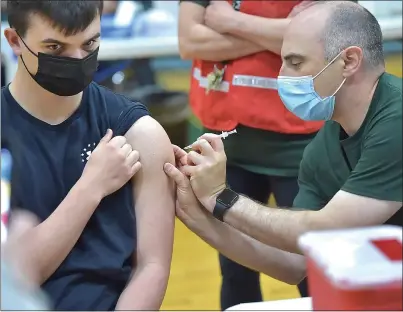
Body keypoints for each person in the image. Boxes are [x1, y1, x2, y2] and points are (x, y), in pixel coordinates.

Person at [165, 0, 402, 295]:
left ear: (349, 61)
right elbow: (293, 262)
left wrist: (221, 197)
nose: (282, 77)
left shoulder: (396, 121)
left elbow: (326, 228)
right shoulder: (323, 148)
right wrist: (194, 213)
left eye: (295, 62)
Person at [1, 1, 175, 310]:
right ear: (15, 41)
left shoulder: (139, 133)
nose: (77, 59)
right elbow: (14, 279)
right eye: (55, 47)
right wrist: (91, 187)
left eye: (89, 44)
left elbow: (152, 267)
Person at [178, 0, 327, 306]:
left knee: (314, 264)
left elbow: (324, 37)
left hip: (298, 147)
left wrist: (230, 22)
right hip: (227, 145)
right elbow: (189, 40)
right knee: (235, 267)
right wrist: (278, 36)